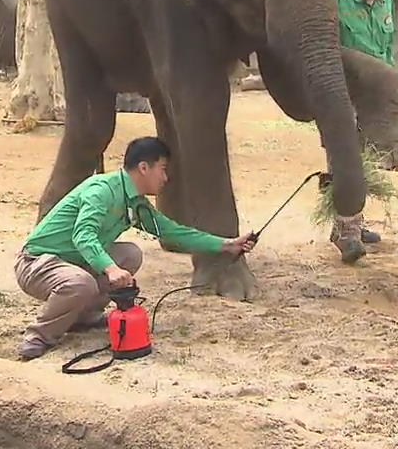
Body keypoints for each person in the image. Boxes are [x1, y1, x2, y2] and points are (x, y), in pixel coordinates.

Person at [13, 136, 257, 360]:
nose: (165, 178)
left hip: (72, 262)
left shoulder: (135, 202)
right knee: (82, 282)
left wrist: (226, 244)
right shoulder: (102, 190)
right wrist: (110, 269)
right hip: (37, 262)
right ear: (144, 168)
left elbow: (173, 232)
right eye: (162, 169)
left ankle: (84, 317)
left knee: (130, 254)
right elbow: (83, 235)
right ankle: (39, 335)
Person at [333, 0, 397, 248]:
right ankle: (344, 229)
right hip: (341, 87)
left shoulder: (387, 4)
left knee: (365, 157)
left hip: (373, 93)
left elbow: (388, 49)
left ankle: (356, 224)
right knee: (342, 154)